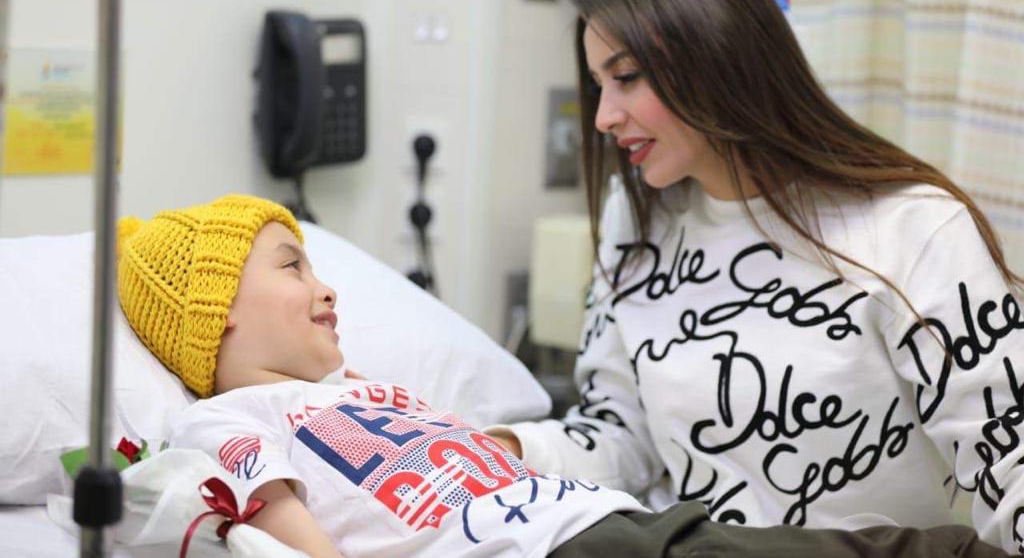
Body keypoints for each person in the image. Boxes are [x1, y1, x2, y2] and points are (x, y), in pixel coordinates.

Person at [484, 0, 1024, 555]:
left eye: (626, 78)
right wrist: (507, 451)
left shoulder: (912, 228)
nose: (604, 116)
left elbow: (1008, 453)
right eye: (598, 85)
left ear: (717, 60)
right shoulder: (635, 220)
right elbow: (624, 437)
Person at [117, 194, 1009, 557]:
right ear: (217, 309)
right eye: (292, 267)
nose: (325, 288)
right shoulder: (227, 420)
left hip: (597, 522)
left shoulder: (359, 390)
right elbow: (283, 523)